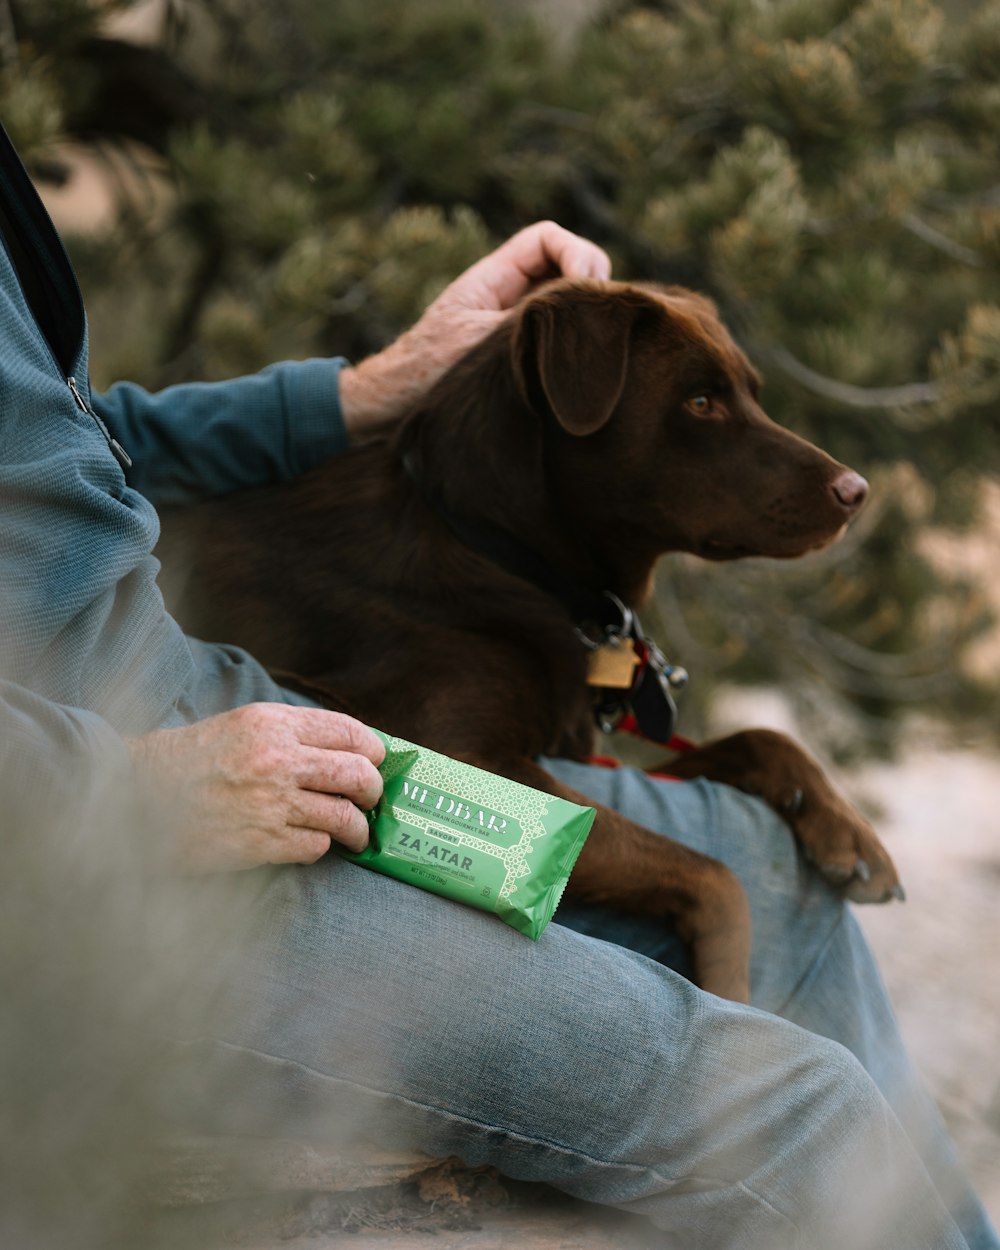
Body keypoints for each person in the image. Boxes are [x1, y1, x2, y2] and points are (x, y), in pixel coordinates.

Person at [0, 117, 996, 1250]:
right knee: (797, 1104)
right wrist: (124, 787)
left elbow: (75, 444)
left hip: (242, 740)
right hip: (112, 870)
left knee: (784, 875)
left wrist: (366, 387)